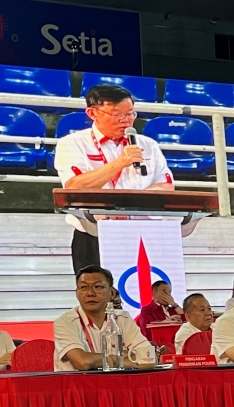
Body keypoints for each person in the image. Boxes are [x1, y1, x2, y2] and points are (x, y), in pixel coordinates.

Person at [54, 84, 175, 272]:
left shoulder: (148, 144)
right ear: (92, 113)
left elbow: (166, 186)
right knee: (98, 295)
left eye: (130, 114)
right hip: (94, 233)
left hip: (143, 232)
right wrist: (120, 163)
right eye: (117, 115)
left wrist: (129, 204)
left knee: (145, 294)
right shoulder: (72, 144)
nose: (126, 121)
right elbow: (74, 188)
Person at [53, 265, 149, 371]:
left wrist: (96, 360)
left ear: (112, 293)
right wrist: (125, 357)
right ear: (76, 293)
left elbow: (148, 357)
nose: (90, 293)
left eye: (98, 287)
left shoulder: (122, 318)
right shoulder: (65, 322)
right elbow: (83, 362)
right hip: (79, 386)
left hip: (117, 384)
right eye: (84, 287)